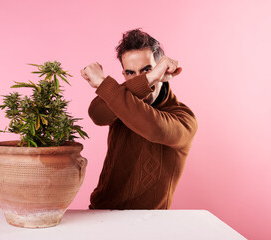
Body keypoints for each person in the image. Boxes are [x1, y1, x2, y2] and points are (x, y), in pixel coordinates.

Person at [80, 29, 198, 210]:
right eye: (130, 73)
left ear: (162, 69)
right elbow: (96, 114)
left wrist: (104, 84)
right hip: (100, 213)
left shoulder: (184, 118)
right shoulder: (118, 98)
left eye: (147, 70)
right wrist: (150, 78)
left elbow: (153, 128)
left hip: (148, 223)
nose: (140, 78)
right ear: (124, 75)